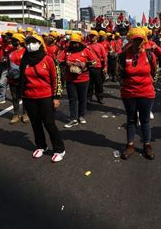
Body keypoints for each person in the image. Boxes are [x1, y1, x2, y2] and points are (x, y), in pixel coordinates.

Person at [17, 34, 65, 162]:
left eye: (33, 42)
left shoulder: (48, 59)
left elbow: (56, 79)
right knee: (35, 123)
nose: (29, 45)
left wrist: (56, 97)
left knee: (49, 123)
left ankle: (59, 149)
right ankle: (41, 145)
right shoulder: (25, 59)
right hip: (29, 97)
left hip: (46, 96)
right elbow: (22, 79)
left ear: (40, 43)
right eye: (27, 42)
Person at [118, 27, 157, 160]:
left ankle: (147, 145)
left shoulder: (150, 55)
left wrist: (150, 84)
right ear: (131, 41)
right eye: (135, 40)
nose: (138, 43)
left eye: (141, 40)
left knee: (145, 120)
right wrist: (124, 86)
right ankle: (130, 145)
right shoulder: (123, 55)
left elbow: (154, 72)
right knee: (131, 119)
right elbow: (119, 74)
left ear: (145, 41)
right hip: (129, 93)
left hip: (146, 93)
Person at [58, 33, 96, 128]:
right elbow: (58, 61)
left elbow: (95, 62)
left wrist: (85, 64)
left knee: (82, 98)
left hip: (83, 79)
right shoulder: (66, 51)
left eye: (76, 43)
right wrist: (66, 63)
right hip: (70, 80)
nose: (74, 45)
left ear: (80, 43)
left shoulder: (86, 50)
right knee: (72, 99)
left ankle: (81, 116)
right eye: (73, 43)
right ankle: (73, 119)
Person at [8, 33, 29, 124]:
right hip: (13, 79)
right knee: (14, 97)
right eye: (12, 41)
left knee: (25, 97)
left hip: (24, 79)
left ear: (20, 41)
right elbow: (9, 66)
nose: (12, 42)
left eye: (15, 41)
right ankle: (16, 114)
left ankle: (25, 114)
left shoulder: (26, 52)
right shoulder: (11, 53)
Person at [0, 30, 13, 105]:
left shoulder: (13, 46)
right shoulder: (2, 44)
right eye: (4, 36)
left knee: (16, 85)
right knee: (2, 82)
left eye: (6, 36)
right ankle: (2, 98)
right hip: (4, 66)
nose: (5, 37)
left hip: (13, 68)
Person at [87, 30, 106, 104]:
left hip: (98, 67)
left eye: (93, 36)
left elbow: (104, 57)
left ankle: (100, 97)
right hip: (89, 67)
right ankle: (88, 98)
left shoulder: (100, 46)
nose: (91, 37)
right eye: (90, 36)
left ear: (97, 37)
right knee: (89, 84)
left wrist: (105, 67)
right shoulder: (87, 46)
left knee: (99, 84)